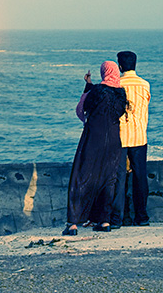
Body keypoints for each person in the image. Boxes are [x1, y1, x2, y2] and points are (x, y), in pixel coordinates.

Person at [63, 61, 127, 235]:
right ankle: (104, 221)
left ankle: (73, 223)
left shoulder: (97, 91)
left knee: (81, 175)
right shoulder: (121, 93)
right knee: (108, 179)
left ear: (103, 72)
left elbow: (81, 110)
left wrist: (87, 88)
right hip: (114, 140)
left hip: (93, 138)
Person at [111, 50, 151, 228]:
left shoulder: (116, 85)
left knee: (119, 178)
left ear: (119, 66)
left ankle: (120, 218)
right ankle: (142, 217)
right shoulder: (145, 85)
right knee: (140, 177)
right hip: (140, 137)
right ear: (135, 64)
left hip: (119, 138)